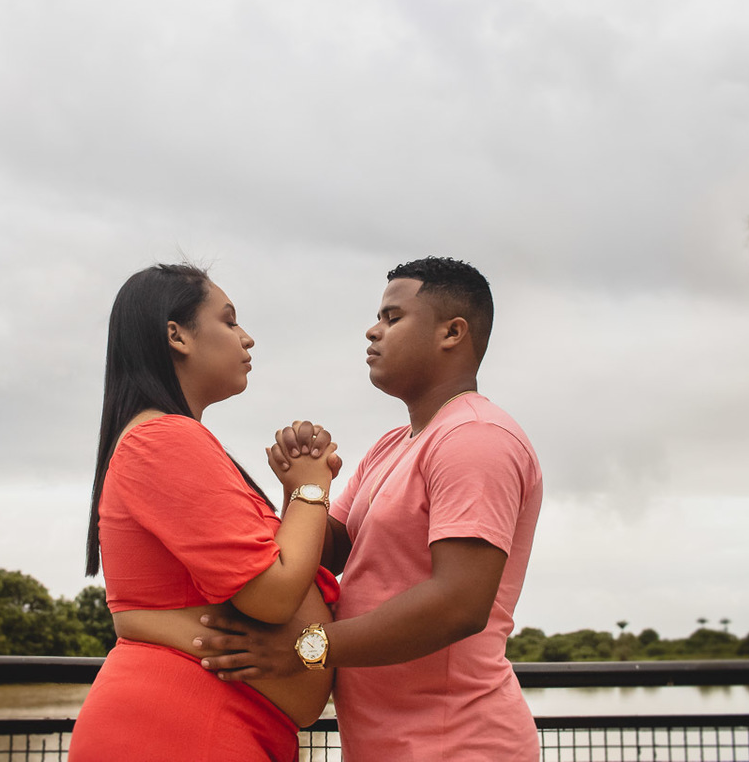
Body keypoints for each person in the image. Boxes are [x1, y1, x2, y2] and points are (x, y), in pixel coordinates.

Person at [196, 256, 544, 761]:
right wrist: (304, 486)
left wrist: (304, 649)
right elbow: (329, 551)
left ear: (452, 332)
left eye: (392, 318)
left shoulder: (476, 438)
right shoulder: (393, 445)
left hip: (458, 745)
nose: (372, 331)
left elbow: (458, 604)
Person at [67, 263, 341, 762]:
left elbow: (257, 572)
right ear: (177, 335)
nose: (247, 338)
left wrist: (290, 499)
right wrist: (310, 489)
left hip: (203, 723)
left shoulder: (164, 438)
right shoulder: (163, 438)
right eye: (230, 321)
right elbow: (274, 594)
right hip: (181, 726)